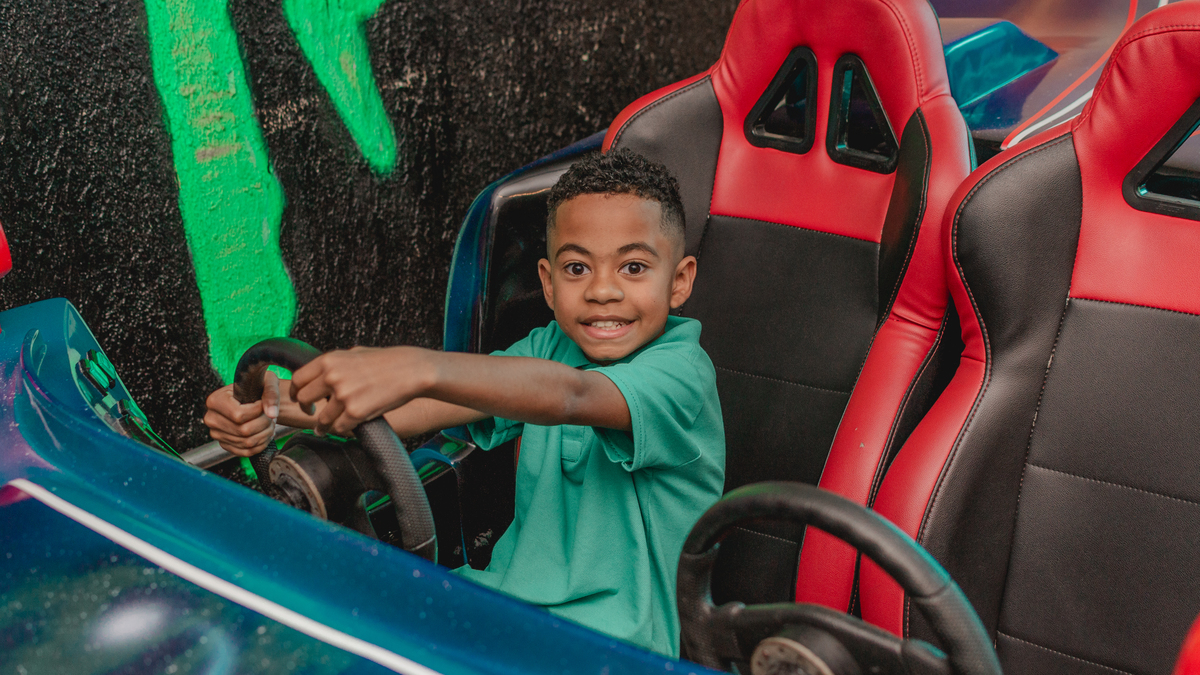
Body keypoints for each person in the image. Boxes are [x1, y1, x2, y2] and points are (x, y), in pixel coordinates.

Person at [202, 149, 726, 657]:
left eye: (633, 267)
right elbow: (419, 408)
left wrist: (419, 366)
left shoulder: (681, 373)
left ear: (679, 281)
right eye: (576, 268)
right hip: (501, 606)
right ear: (548, 284)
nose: (602, 291)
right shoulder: (550, 346)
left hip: (612, 649)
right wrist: (273, 405)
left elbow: (572, 395)